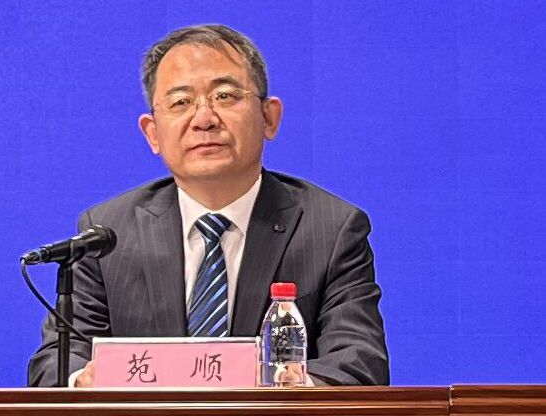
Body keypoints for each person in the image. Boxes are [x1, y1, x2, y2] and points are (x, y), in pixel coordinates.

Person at [27, 24, 389, 387]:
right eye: (181, 102)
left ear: (269, 117)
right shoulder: (109, 233)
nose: (204, 119)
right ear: (152, 133)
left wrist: (286, 388)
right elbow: (58, 360)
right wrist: (83, 381)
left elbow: (358, 365)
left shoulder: (330, 229)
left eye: (225, 96)